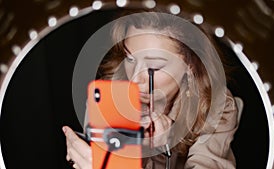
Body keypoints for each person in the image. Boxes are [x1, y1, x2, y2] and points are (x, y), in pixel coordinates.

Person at [63, 9, 239, 169]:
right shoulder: (106, 98)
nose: (134, 79)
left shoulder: (217, 105)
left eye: (153, 67)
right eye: (130, 59)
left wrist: (165, 147)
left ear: (191, 64)